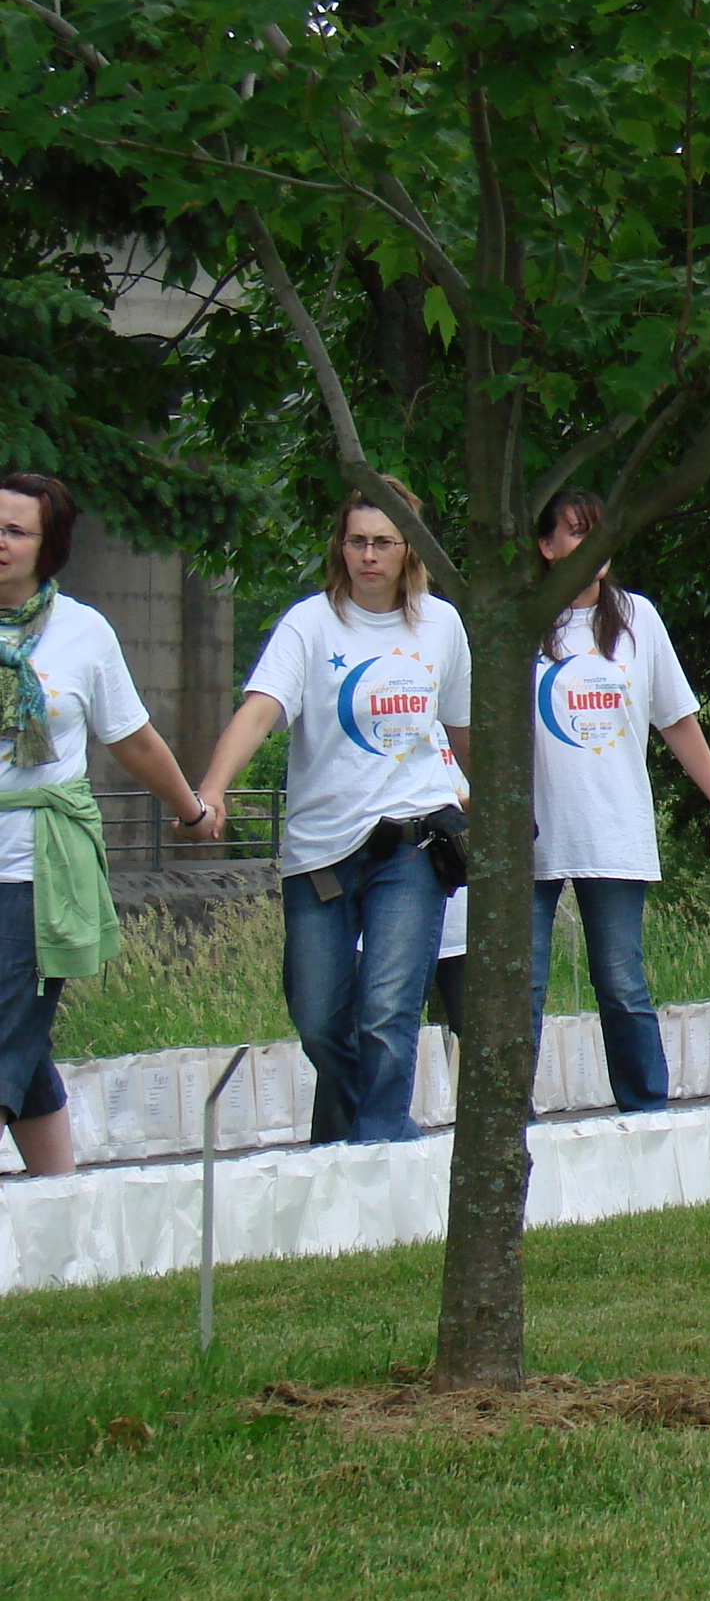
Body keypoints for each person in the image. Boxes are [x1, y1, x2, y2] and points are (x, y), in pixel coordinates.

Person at [198, 483, 471, 1143]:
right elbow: (263, 708)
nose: (369, 556)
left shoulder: (440, 624)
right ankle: (387, 1132)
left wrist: (505, 813)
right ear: (340, 546)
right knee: (320, 1017)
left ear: (410, 549)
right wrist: (214, 786)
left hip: (411, 843)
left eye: (383, 542)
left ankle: (376, 1145)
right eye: (358, 541)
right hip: (321, 851)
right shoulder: (310, 623)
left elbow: (465, 733)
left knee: (387, 1010)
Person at [0, 473, 216, 1177]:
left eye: (15, 531)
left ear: (48, 546)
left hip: (37, 869)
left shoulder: (82, 632)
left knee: (6, 1033)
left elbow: (133, 739)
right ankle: (65, 1206)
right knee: (21, 1051)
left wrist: (191, 809)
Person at [528, 488, 710, 1112]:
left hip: (613, 827)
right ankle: (508, 1118)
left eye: (599, 532)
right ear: (547, 547)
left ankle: (647, 1109)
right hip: (531, 831)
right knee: (523, 987)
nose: (589, 545)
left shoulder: (637, 618)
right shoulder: (519, 617)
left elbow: (675, 718)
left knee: (621, 980)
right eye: (574, 532)